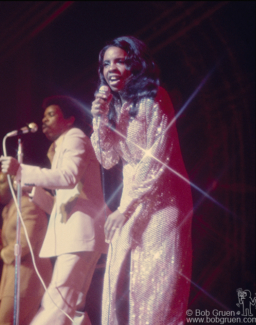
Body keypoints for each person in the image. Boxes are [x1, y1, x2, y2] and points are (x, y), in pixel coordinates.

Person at [91, 36, 193, 325]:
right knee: (116, 284)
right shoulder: (113, 108)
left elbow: (157, 158)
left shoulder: (155, 98)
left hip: (164, 201)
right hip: (131, 203)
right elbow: (107, 159)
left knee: (154, 289)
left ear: (134, 64)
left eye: (120, 61)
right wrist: (98, 119)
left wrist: (126, 208)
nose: (111, 68)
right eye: (106, 63)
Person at [0, 96, 109, 325]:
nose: (44, 119)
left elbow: (68, 178)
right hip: (77, 233)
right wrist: (35, 192)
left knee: (57, 300)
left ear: (69, 119)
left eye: (51, 114)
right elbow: (62, 205)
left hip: (82, 232)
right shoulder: (59, 148)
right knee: (74, 308)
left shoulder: (76, 137)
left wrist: (22, 170)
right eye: (44, 115)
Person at [0, 171, 52, 325]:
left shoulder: (26, 204)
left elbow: (25, 244)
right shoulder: (11, 208)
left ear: (15, 183)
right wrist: (2, 239)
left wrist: (2, 252)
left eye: (1, 182)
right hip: (18, 276)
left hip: (27, 277)